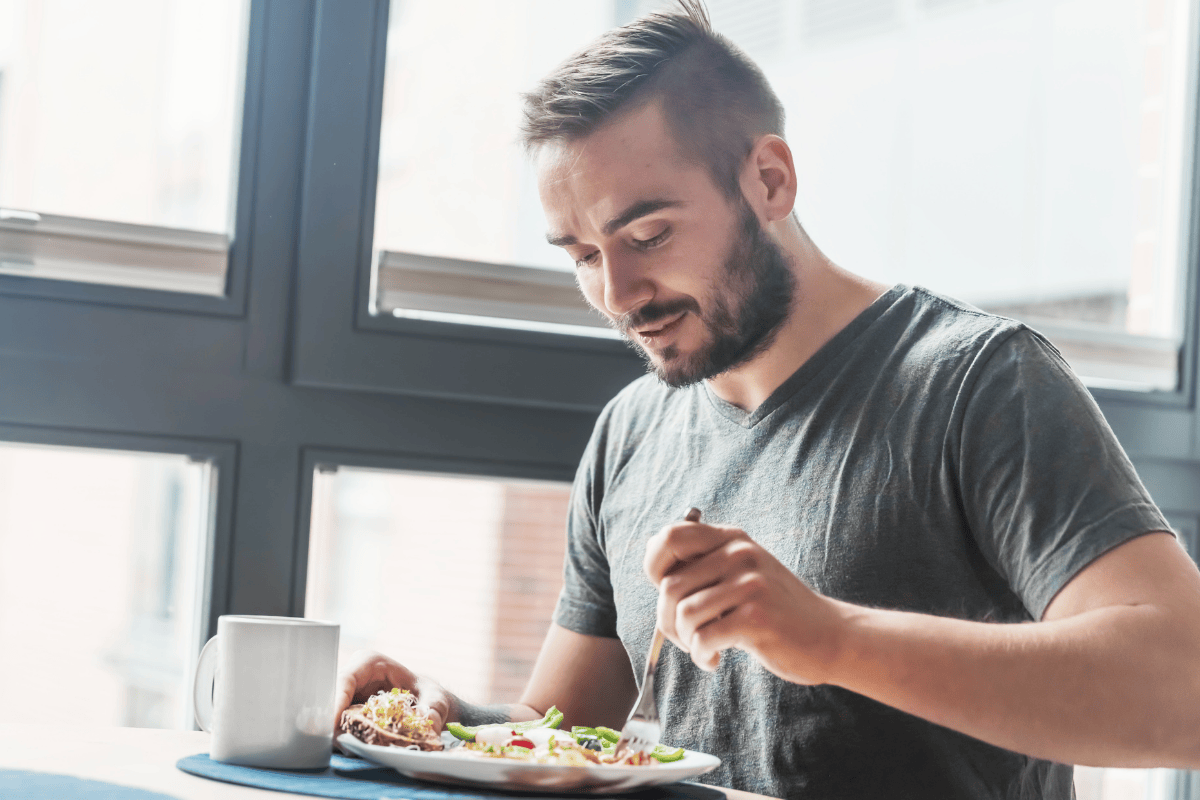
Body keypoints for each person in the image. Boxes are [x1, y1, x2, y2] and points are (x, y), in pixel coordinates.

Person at [335, 3, 1200, 797]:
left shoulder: (980, 382)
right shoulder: (631, 431)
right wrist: (446, 719)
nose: (618, 292)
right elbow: (577, 733)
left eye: (648, 235)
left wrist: (832, 639)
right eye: (582, 254)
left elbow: (1183, 692)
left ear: (771, 180)